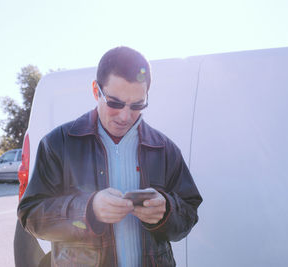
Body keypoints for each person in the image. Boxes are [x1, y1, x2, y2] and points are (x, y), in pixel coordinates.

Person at [17, 46, 202, 266]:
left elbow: (189, 214)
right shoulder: (58, 144)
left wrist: (167, 211)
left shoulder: (164, 148)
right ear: (96, 91)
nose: (125, 116)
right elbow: (30, 216)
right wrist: (89, 209)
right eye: (115, 103)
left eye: (137, 105)